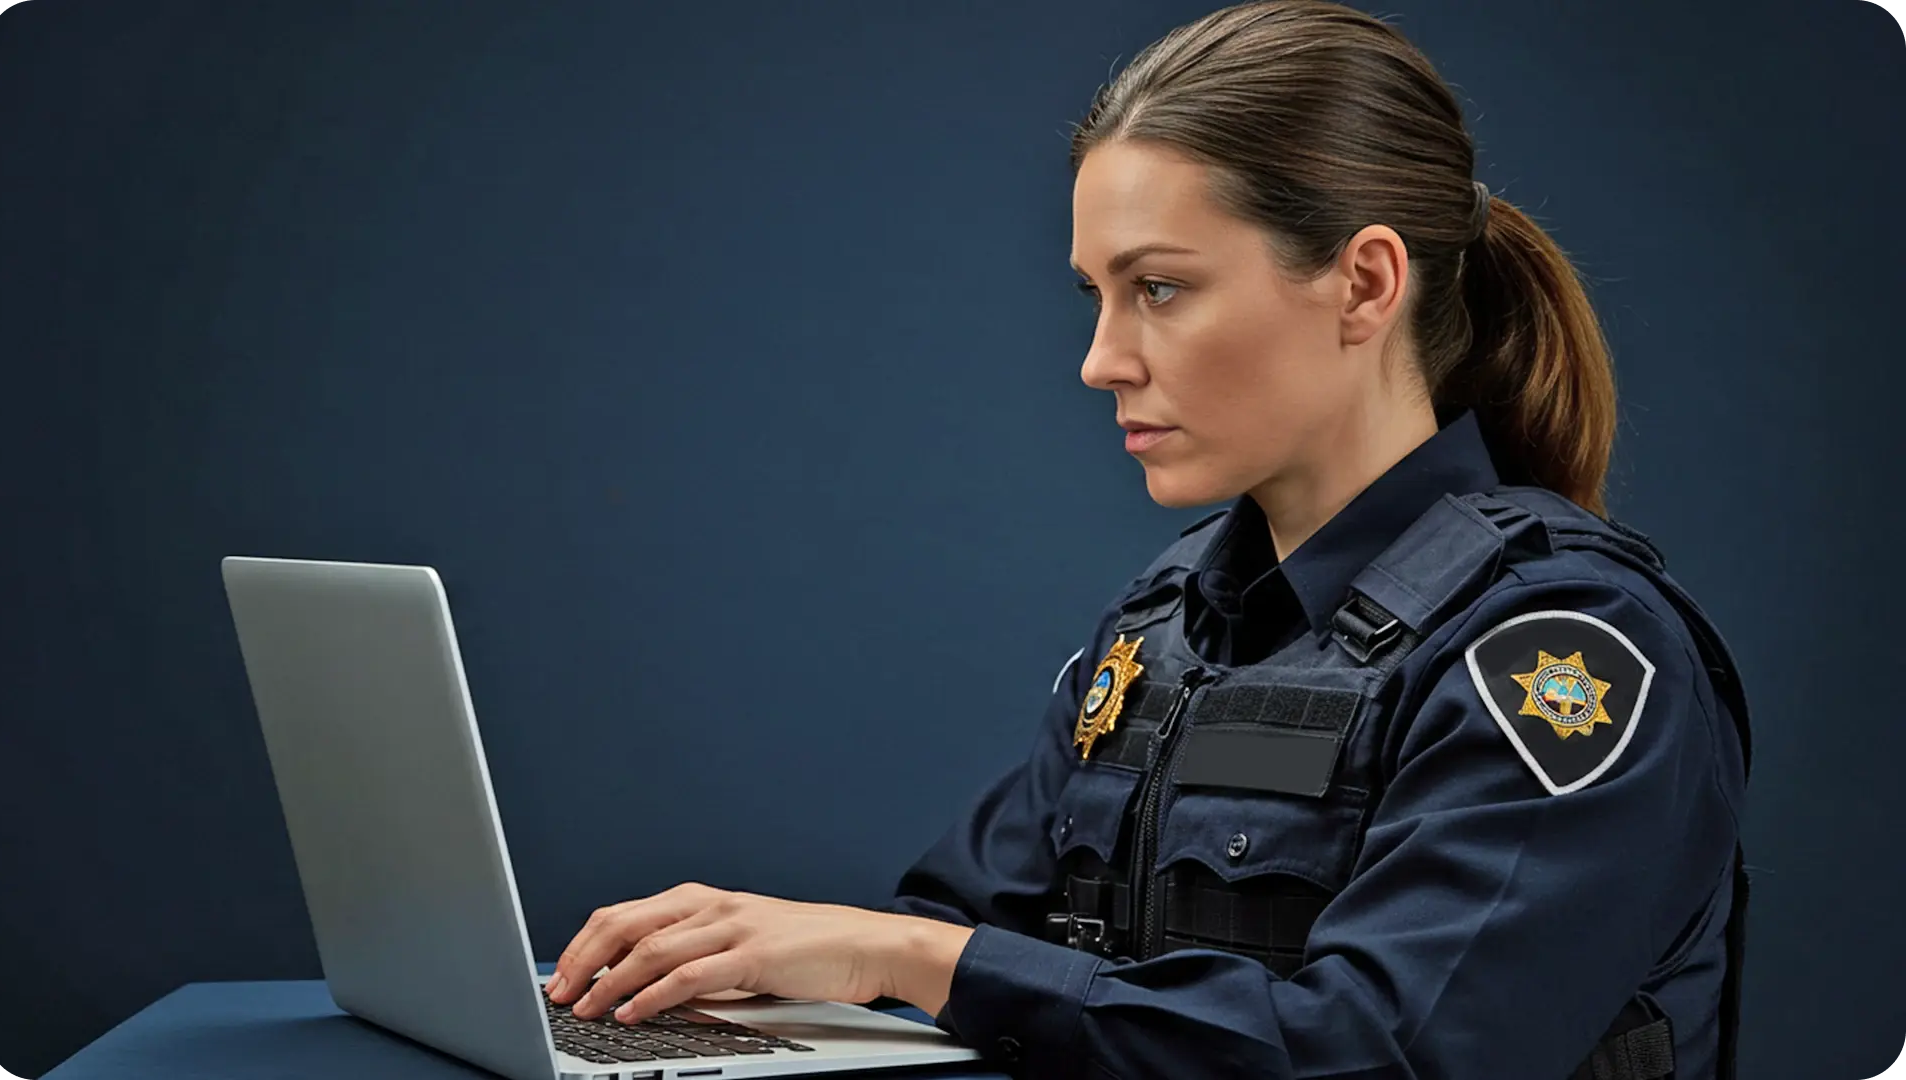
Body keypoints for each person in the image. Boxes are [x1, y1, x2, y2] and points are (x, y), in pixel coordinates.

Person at [543, 2, 1751, 1077]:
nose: (1100, 360)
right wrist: (747, 980)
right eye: (1096, 295)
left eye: (1159, 288)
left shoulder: (1565, 651)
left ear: (1365, 285)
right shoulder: (1163, 628)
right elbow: (956, 929)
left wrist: (905, 958)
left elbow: (1383, 1049)